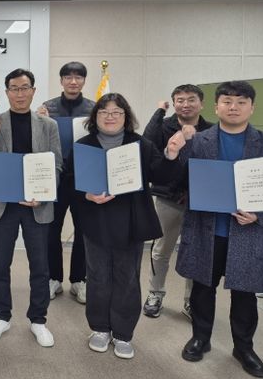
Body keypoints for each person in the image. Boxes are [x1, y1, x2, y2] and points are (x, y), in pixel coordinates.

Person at [66, 93, 181, 360]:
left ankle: (123, 332)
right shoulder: (84, 145)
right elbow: (69, 181)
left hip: (131, 221)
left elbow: (161, 175)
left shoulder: (140, 144)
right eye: (104, 112)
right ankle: (99, 328)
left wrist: (171, 154)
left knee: (127, 277)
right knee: (97, 276)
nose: (110, 117)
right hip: (95, 220)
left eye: (116, 112)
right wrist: (86, 195)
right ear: (95, 117)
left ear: (125, 116)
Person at [172, 81, 263, 377]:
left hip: (247, 232)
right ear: (216, 107)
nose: (233, 107)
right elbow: (179, 179)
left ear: (252, 107)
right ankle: (201, 338)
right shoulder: (199, 141)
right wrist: (174, 151)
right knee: (202, 288)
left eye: (241, 102)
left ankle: (244, 347)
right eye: (227, 101)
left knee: (245, 294)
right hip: (207, 229)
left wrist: (259, 215)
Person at [0, 69, 61, 347]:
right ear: (7, 92)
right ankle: (1, 316)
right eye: (14, 88)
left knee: (40, 265)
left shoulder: (48, 125)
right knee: (1, 264)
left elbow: (57, 165)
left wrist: (44, 195)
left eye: (25, 88)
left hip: (37, 205)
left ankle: (38, 320)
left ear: (33, 91)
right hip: (4, 204)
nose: (20, 93)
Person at [141, 84, 212, 319]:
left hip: (199, 202)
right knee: (161, 250)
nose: (185, 104)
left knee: (196, 252)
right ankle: (155, 293)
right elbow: (147, 145)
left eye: (191, 100)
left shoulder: (211, 130)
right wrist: (159, 112)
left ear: (201, 104)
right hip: (168, 198)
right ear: (174, 103)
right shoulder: (163, 126)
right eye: (180, 100)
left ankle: (191, 301)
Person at [39, 61, 95, 303]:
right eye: (68, 77)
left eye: (78, 77)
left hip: (84, 177)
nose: (73, 81)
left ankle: (79, 280)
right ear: (61, 80)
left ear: (84, 80)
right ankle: (54, 278)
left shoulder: (94, 108)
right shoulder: (48, 108)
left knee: (84, 230)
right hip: (56, 177)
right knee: (52, 230)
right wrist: (39, 120)